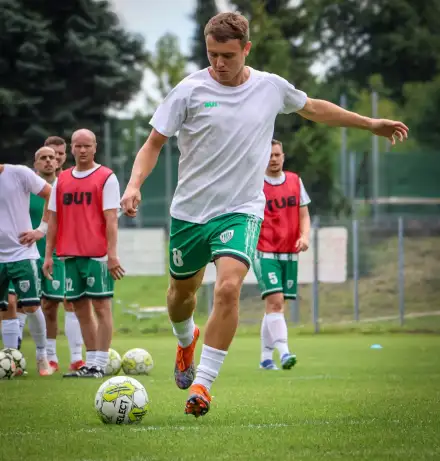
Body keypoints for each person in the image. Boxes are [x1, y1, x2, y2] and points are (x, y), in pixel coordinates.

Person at [120, 12, 408, 418]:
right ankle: (185, 340)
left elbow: (315, 108)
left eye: (228, 55)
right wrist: (134, 185)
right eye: (212, 54)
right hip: (190, 213)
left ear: (246, 49)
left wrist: (370, 123)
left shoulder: (270, 87)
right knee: (180, 296)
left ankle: (203, 385)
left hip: (241, 210)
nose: (219, 63)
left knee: (228, 289)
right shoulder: (188, 90)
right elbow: (153, 143)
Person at [43, 129, 124, 378]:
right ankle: (91, 363)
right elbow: (53, 220)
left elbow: (111, 219)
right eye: (77, 146)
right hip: (69, 254)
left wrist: (112, 255)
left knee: (102, 307)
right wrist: (48, 255)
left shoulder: (106, 177)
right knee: (79, 308)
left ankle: (100, 363)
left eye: (87, 145)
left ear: (95, 147)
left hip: (97, 255)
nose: (82, 150)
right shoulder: (61, 180)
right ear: (71, 148)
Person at [252, 139, 310, 371]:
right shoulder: (255, 184)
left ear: (283, 156)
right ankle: (285, 353)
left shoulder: (295, 181)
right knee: (276, 302)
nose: (274, 159)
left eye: (277, 155)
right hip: (264, 250)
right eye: (269, 155)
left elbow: (304, 215)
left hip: (289, 252)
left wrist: (304, 236)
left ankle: (266, 358)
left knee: (275, 306)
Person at [0, 161, 54, 376]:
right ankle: (11, 359)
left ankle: (42, 356)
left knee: (31, 306)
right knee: (5, 307)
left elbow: (51, 193)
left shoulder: (19, 173)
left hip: (22, 253)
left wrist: (41, 229)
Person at [42, 136, 85, 371]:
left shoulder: (71, 180)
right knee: (46, 305)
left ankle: (76, 358)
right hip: (40, 251)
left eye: (60, 154)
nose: (56, 158)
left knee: (71, 301)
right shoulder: (35, 185)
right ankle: (49, 356)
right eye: (52, 153)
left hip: (68, 250)